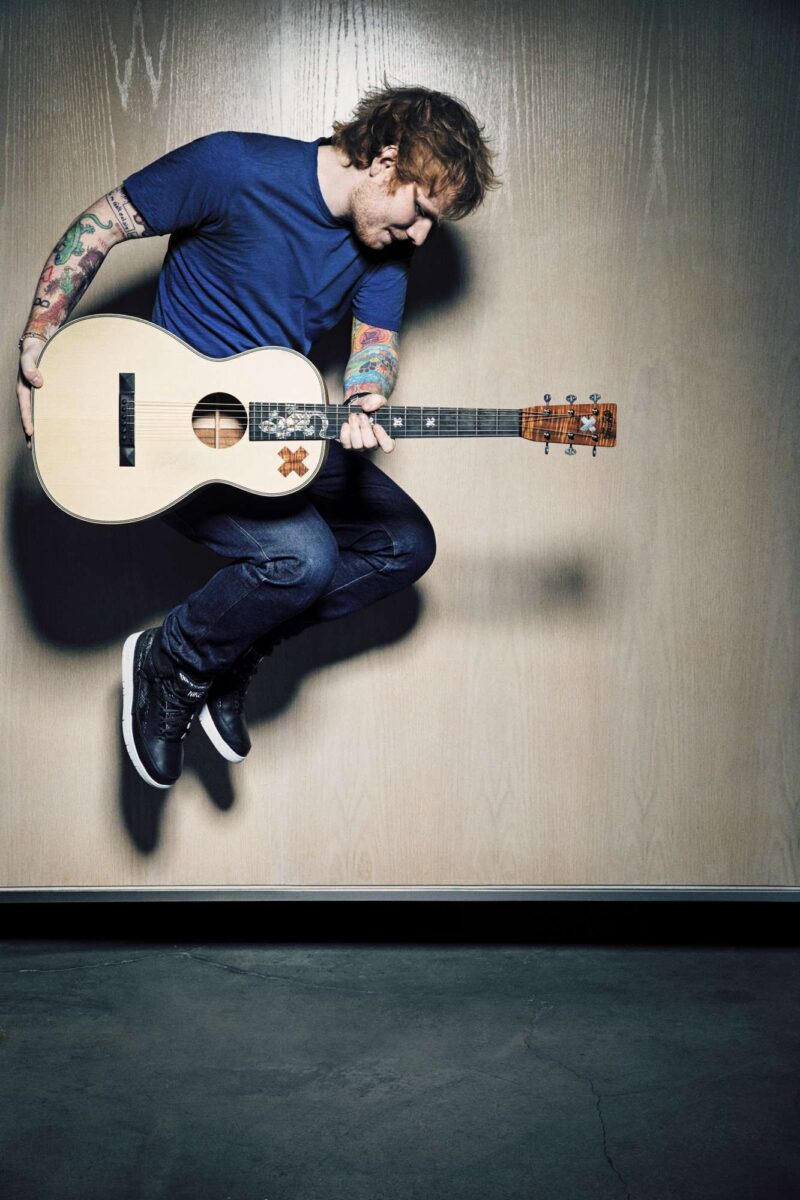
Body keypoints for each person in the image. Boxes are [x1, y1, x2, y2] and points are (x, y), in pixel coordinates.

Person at [16, 84, 498, 790]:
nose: (422, 235)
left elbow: (374, 343)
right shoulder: (232, 167)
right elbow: (103, 222)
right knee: (304, 557)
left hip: (276, 431)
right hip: (172, 441)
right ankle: (170, 661)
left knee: (406, 543)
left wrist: (367, 396)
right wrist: (39, 337)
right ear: (385, 160)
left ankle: (230, 652)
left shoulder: (386, 251)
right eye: (421, 210)